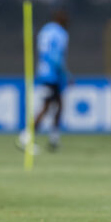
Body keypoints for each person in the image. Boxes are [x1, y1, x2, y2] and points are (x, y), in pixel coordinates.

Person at [17, 10, 70, 153]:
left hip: (43, 71)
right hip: (53, 74)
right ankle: (26, 137)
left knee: (59, 104)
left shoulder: (45, 30)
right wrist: (65, 74)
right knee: (47, 106)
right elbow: (55, 56)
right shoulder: (60, 33)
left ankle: (54, 138)